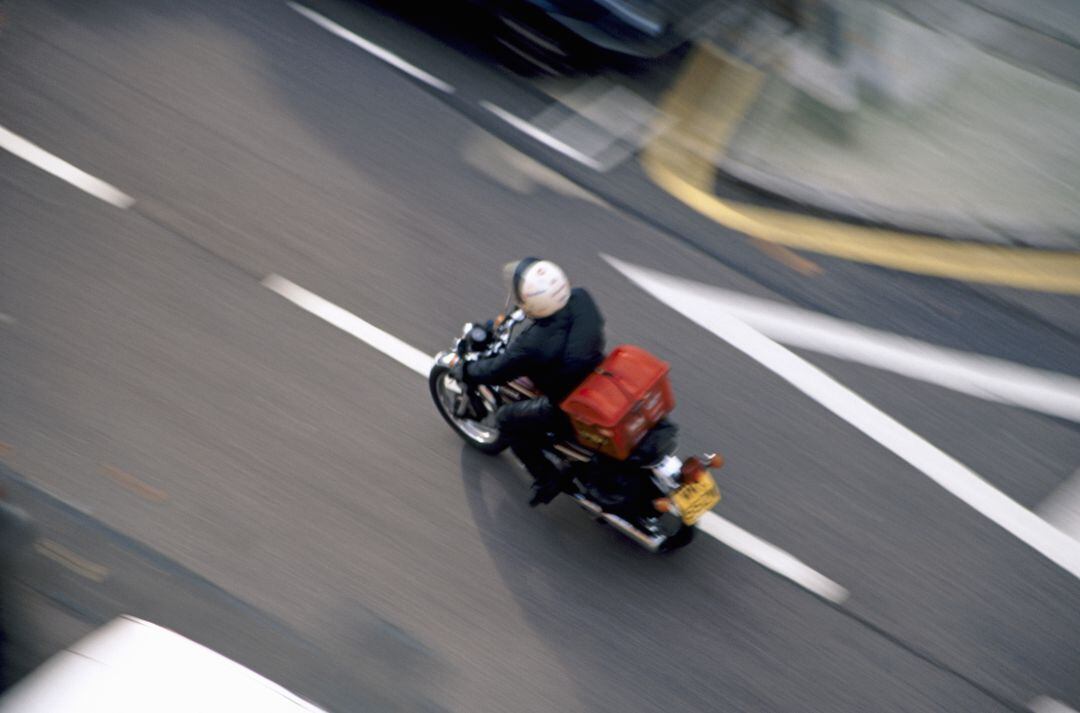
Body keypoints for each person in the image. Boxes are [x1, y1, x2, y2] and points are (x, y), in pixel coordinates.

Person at [452, 258, 605, 506]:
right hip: (598, 375)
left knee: (506, 420)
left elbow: (496, 371)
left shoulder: (532, 345)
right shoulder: (581, 297)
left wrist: (466, 370)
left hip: (565, 404)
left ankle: (546, 477)